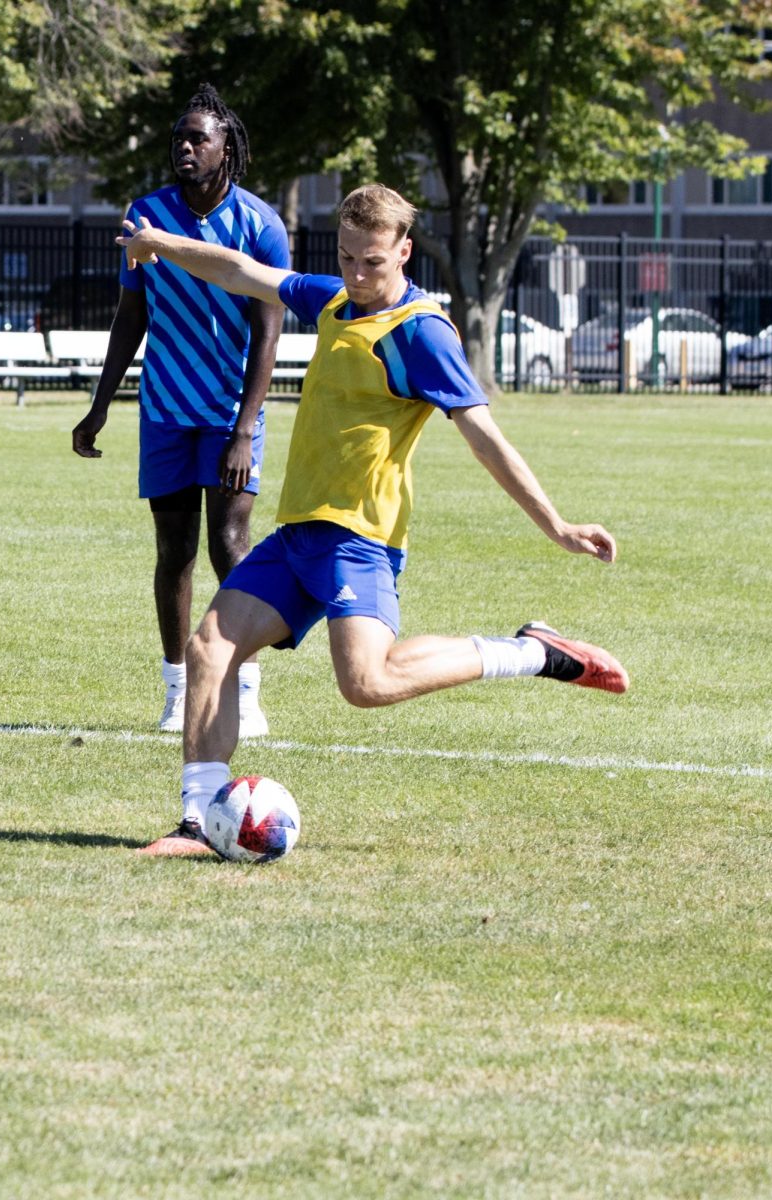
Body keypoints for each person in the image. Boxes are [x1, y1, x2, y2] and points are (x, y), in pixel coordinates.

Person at [117, 183, 630, 858]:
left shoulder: (421, 332)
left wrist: (557, 526)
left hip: (360, 540)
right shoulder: (333, 299)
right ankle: (197, 823)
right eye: (348, 257)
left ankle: (532, 651)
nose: (358, 275)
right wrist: (162, 244)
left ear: (404, 252)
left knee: (368, 683)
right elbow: (243, 271)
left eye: (373, 263)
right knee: (210, 647)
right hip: (299, 533)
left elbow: (483, 437)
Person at [71, 83, 290, 738]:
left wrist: (247, 427)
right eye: (179, 139)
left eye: (199, 138)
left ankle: (243, 689)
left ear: (228, 148)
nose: (186, 148)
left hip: (229, 412)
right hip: (165, 408)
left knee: (231, 544)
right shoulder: (146, 215)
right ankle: (177, 690)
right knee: (175, 551)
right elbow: (129, 314)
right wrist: (99, 406)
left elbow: (269, 331)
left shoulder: (260, 224)